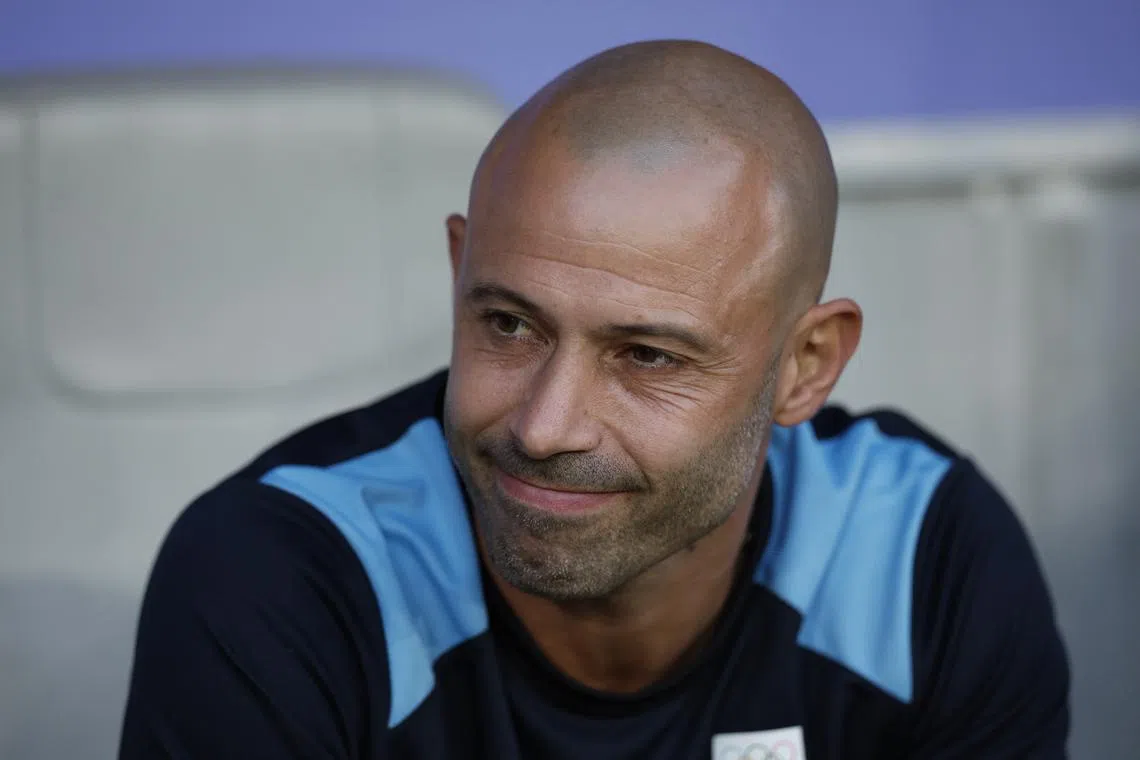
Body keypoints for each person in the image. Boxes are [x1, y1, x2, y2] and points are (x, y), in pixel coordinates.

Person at [118, 40, 1070, 760]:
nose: (543, 426)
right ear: (459, 275)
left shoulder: (923, 562)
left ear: (805, 366)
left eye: (648, 356)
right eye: (508, 326)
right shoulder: (286, 576)